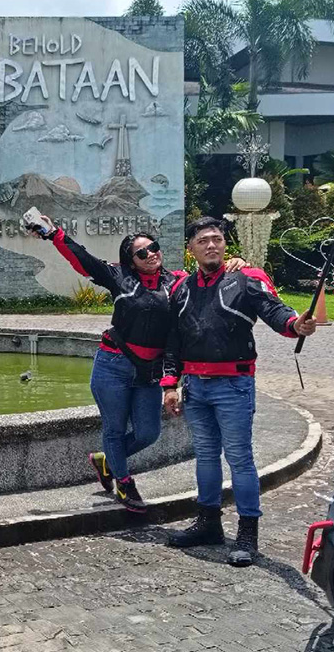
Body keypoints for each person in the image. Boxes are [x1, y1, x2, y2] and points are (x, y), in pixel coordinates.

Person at [31, 214, 244, 512]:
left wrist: (237, 265)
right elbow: (82, 259)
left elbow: (210, 277)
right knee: (114, 429)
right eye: (142, 253)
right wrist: (54, 233)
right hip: (113, 365)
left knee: (148, 433)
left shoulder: (177, 282)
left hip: (148, 372)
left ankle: (106, 461)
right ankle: (124, 482)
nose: (151, 254)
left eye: (153, 247)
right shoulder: (119, 277)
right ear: (131, 260)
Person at [163, 216, 317, 566]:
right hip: (195, 387)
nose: (211, 245)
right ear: (191, 249)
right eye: (203, 240)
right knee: (205, 456)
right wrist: (170, 383)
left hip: (233, 386)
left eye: (217, 239)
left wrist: (295, 324)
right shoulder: (181, 289)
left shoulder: (245, 280)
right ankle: (208, 523)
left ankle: (248, 533)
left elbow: (275, 311)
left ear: (224, 244)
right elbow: (173, 340)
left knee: (239, 458)